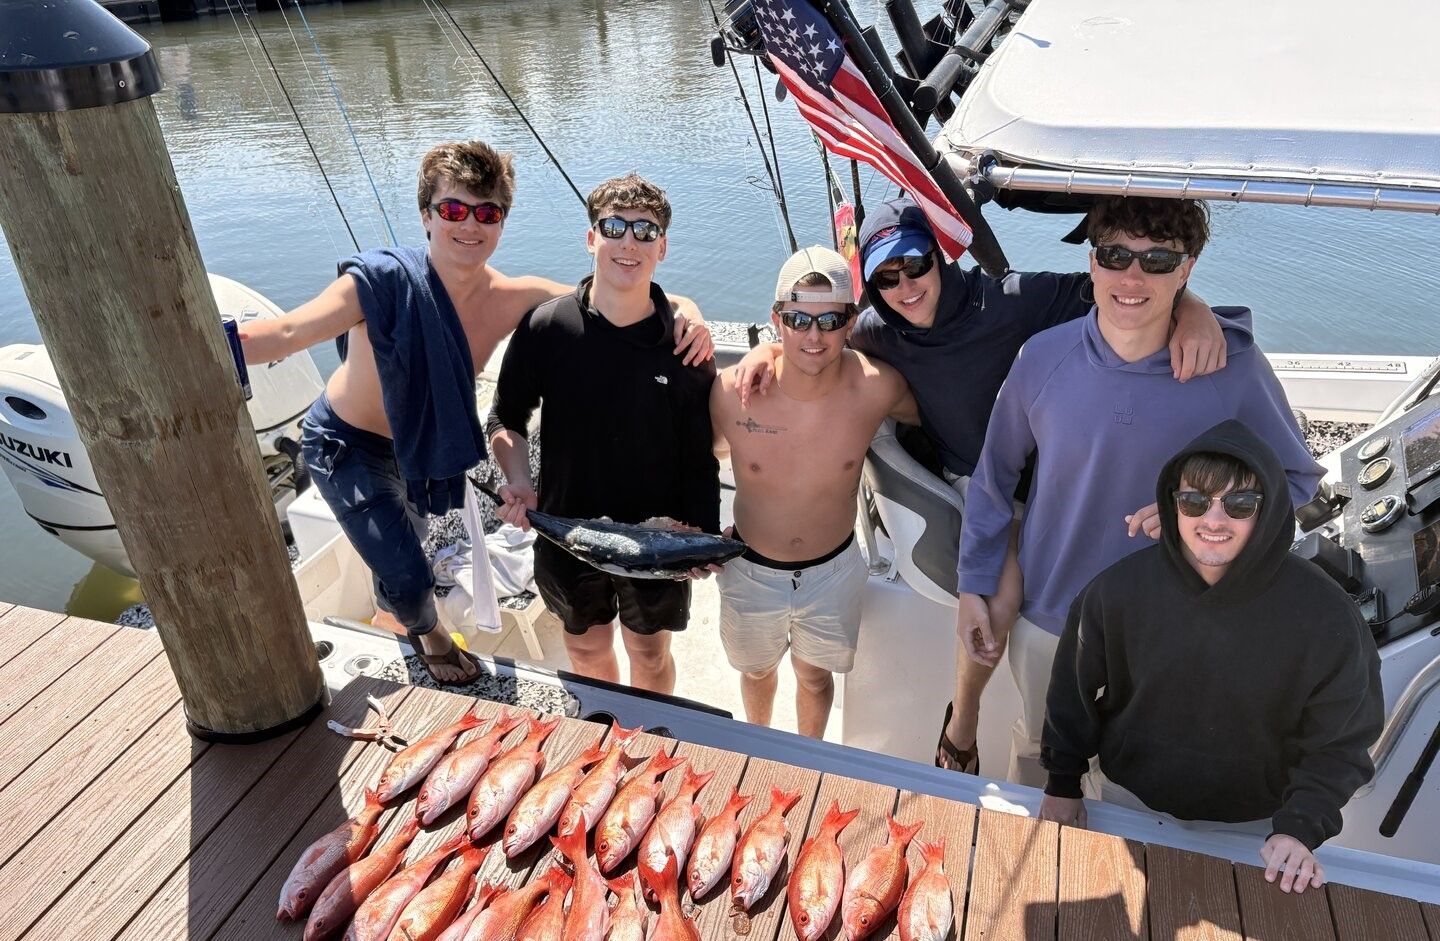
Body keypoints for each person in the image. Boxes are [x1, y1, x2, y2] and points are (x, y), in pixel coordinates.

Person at [733, 197, 1229, 772]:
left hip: (1057, 470)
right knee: (1000, 588)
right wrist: (767, 349)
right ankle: (962, 724)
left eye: (916, 265)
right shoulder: (878, 331)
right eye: (886, 277)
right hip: (980, 477)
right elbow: (818, 341)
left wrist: (1195, 309)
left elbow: (1122, 286)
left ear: (940, 256)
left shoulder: (1012, 300)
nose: (905, 286)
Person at [240, 141, 712, 684]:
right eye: (453, 209)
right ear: (426, 215)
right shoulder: (382, 282)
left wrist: (689, 310)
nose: (469, 225)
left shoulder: (515, 297)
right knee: (408, 576)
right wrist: (206, 345)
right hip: (349, 443)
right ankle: (426, 634)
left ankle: (391, 604)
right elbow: (286, 333)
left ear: (502, 222)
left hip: (420, 450)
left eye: (487, 213)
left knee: (404, 555)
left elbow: (617, 291)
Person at [956, 195, 1325, 786]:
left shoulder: (1232, 368)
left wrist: (1209, 509)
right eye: (1115, 255)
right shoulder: (1041, 358)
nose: (1132, 277)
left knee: (1138, 784)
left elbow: (1296, 478)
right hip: (1050, 618)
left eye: (1157, 260)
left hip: (1176, 629)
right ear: (1092, 263)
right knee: (1038, 757)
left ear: (1187, 269)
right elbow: (993, 479)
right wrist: (974, 583)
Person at [1040, 420, 1382, 895]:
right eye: (1195, 502)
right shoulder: (1115, 592)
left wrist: (1299, 827)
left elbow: (1343, 740)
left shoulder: (1326, 616)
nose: (1214, 520)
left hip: (1257, 826)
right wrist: (1062, 783)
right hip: (1125, 799)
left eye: (1239, 504)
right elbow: (1071, 690)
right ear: (1173, 505)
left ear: (1268, 509)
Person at [487, 173, 719, 695]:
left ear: (662, 247)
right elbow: (506, 416)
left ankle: (649, 734)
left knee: (650, 653)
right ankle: (602, 727)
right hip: (567, 526)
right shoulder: (546, 328)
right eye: (614, 227)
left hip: (656, 538)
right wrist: (519, 478)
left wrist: (701, 537)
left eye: (645, 230)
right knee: (587, 649)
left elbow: (698, 457)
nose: (628, 242)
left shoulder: (685, 346)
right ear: (592, 238)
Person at [710, 245, 918, 739]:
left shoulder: (878, 387)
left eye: (830, 320)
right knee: (756, 672)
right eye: (798, 319)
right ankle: (758, 746)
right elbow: (697, 462)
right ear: (776, 320)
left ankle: (808, 759)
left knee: (815, 677)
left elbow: (942, 421)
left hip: (834, 571)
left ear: (851, 323)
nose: (813, 335)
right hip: (748, 568)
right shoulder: (731, 392)